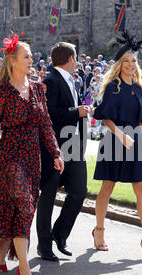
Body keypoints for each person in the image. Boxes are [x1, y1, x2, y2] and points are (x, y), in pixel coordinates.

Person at [0, 36, 64, 275]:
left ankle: (1, 246)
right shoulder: (2, 93)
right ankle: (24, 265)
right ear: (12, 62)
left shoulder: (39, 89)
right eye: (27, 57)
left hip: (34, 157)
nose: (32, 60)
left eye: (31, 56)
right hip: (10, 156)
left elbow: (46, 125)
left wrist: (55, 153)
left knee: (21, 207)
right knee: (23, 201)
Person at [92, 31, 142, 258]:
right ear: (119, 64)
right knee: (107, 188)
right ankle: (99, 231)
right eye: (126, 61)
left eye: (134, 61)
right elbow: (105, 117)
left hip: (137, 140)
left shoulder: (139, 88)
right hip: (115, 139)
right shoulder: (113, 86)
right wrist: (121, 135)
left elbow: (140, 119)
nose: (131, 64)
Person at [36, 42, 90, 262]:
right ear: (70, 59)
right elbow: (49, 114)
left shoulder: (71, 81)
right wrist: (76, 111)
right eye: (75, 58)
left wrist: (82, 113)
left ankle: (59, 233)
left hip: (74, 145)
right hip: (53, 147)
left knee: (79, 190)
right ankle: (44, 244)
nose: (77, 62)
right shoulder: (50, 81)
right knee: (48, 196)